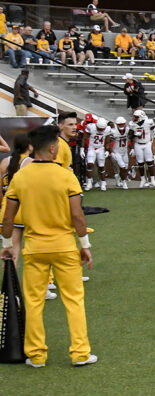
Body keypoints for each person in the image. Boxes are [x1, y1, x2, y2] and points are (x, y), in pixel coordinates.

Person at [0, 124, 95, 367]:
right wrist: (85, 244)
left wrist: (8, 244)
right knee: (73, 300)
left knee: (33, 302)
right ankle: (80, 353)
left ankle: (37, 355)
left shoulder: (20, 177)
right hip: (64, 245)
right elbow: (77, 216)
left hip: (34, 247)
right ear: (53, 148)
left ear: (33, 147)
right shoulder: (65, 175)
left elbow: (8, 217)